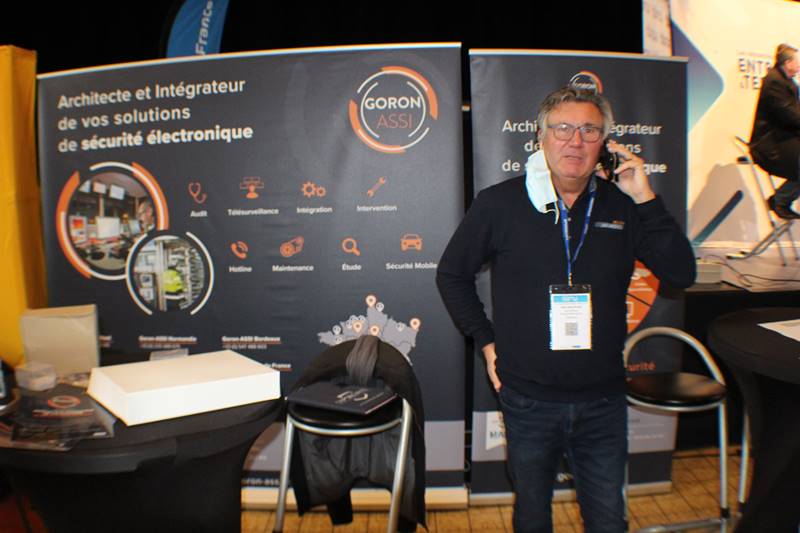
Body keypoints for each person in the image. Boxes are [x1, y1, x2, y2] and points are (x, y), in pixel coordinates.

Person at [436, 86, 695, 533]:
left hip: (603, 400)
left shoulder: (623, 205)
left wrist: (646, 199)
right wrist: (486, 341)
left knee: (608, 520)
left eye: (589, 130)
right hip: (528, 399)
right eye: (563, 129)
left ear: (605, 143)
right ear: (541, 136)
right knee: (532, 516)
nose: (575, 141)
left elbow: (681, 273)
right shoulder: (499, 203)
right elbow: (451, 274)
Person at [750, 43, 800, 219]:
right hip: (771, 144)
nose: (799, 65)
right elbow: (789, 115)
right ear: (787, 63)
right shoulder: (774, 82)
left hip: (784, 139)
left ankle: (781, 200)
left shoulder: (787, 82)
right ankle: (780, 200)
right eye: (796, 61)